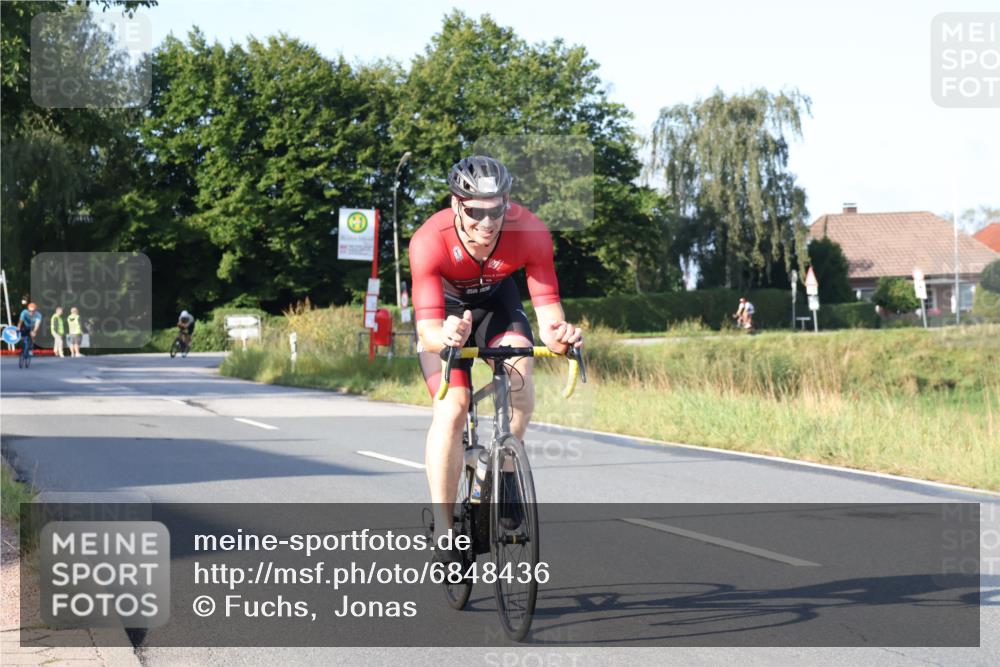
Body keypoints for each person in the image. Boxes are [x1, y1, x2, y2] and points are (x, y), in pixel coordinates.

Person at [409, 155, 582, 559]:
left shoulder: (532, 232)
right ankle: (446, 528)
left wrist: (562, 337)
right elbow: (427, 332)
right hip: (445, 313)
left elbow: (550, 320)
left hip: (496, 303)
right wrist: (446, 335)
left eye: (496, 210)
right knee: (452, 409)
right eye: (475, 212)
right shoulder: (428, 241)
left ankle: (505, 476)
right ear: (456, 205)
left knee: (521, 378)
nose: (486, 223)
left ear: (508, 203)